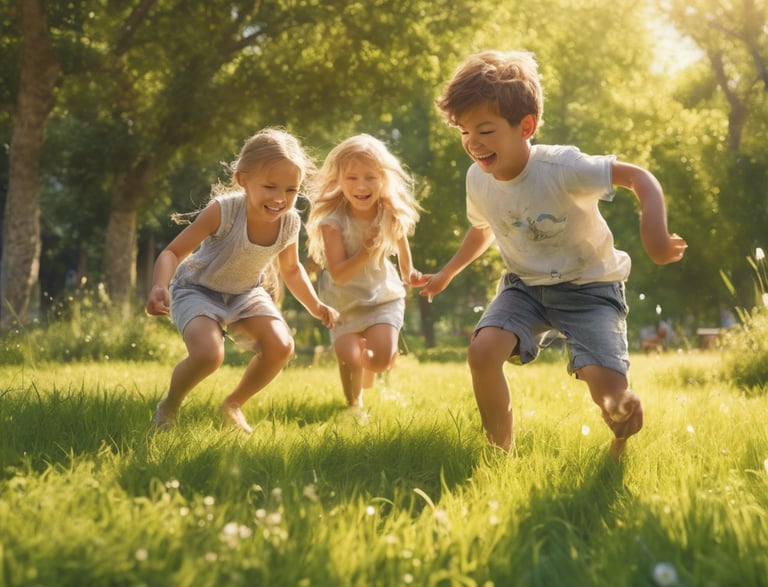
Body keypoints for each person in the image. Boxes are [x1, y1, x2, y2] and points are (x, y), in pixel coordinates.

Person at [419, 51, 688, 460]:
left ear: (525, 126)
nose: (473, 143)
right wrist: (447, 273)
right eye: (464, 132)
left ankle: (619, 438)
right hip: (525, 287)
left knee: (612, 400)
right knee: (483, 350)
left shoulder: (561, 167)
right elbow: (482, 228)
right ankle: (499, 454)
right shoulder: (479, 178)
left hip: (591, 288)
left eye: (485, 130)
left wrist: (655, 232)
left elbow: (638, 177)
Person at [146, 128, 337, 433]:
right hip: (197, 290)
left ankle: (232, 404)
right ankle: (169, 405)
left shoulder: (289, 222)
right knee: (209, 355)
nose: (280, 199)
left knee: (281, 346)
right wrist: (159, 285)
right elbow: (173, 252)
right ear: (243, 179)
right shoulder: (223, 211)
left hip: (246, 293)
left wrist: (316, 306)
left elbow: (291, 270)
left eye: (291, 190)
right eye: (270, 186)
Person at [305, 134, 426, 415]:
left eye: (370, 177)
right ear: (338, 181)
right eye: (352, 178)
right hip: (343, 303)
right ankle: (354, 406)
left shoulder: (388, 212)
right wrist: (366, 251)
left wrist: (410, 273)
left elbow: (400, 243)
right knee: (348, 357)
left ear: (383, 179)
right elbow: (339, 274)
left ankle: (372, 361)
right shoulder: (332, 222)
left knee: (381, 360)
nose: (361, 186)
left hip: (381, 298)